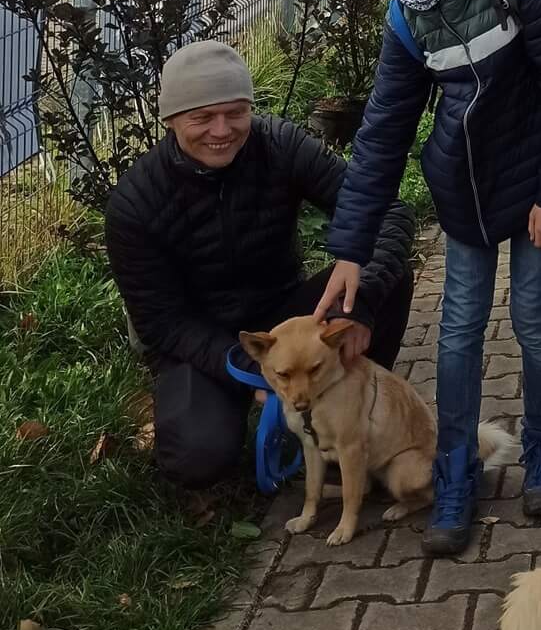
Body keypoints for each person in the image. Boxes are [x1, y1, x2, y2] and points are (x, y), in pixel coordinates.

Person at [314, 0, 541, 556]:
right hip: (464, 194)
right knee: (458, 331)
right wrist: (349, 247)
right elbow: (384, 129)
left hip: (533, 190)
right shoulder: (407, 21)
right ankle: (454, 473)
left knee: (534, 318)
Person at [105, 41, 414, 494]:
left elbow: (384, 210)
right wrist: (249, 368)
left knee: (386, 278)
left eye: (235, 112)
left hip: (283, 316)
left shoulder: (280, 145)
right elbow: (161, 323)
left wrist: (360, 299)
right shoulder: (135, 203)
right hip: (199, 341)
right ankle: (244, 410)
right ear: (170, 120)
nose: (221, 130)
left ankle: (346, 416)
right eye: (201, 117)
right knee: (197, 458)